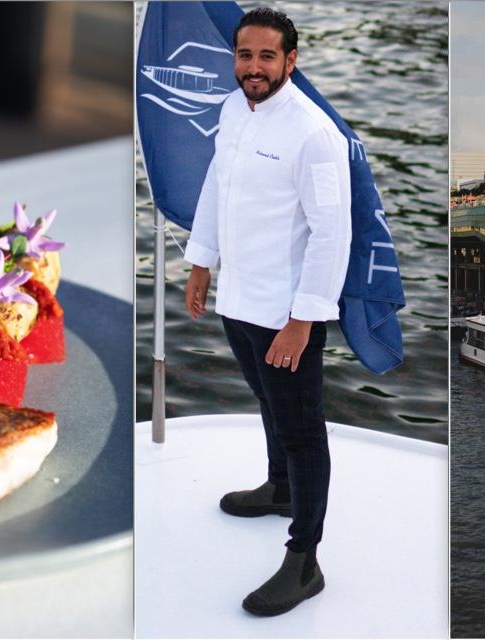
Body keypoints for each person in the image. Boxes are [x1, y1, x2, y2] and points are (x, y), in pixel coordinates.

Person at [183, 6, 351, 617]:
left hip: (287, 312)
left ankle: (304, 561)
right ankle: (279, 488)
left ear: (290, 60)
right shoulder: (234, 110)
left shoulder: (314, 133)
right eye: (244, 55)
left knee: (303, 430)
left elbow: (333, 236)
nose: (253, 67)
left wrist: (303, 321)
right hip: (239, 298)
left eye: (265, 56)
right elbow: (215, 185)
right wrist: (201, 261)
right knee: (265, 399)